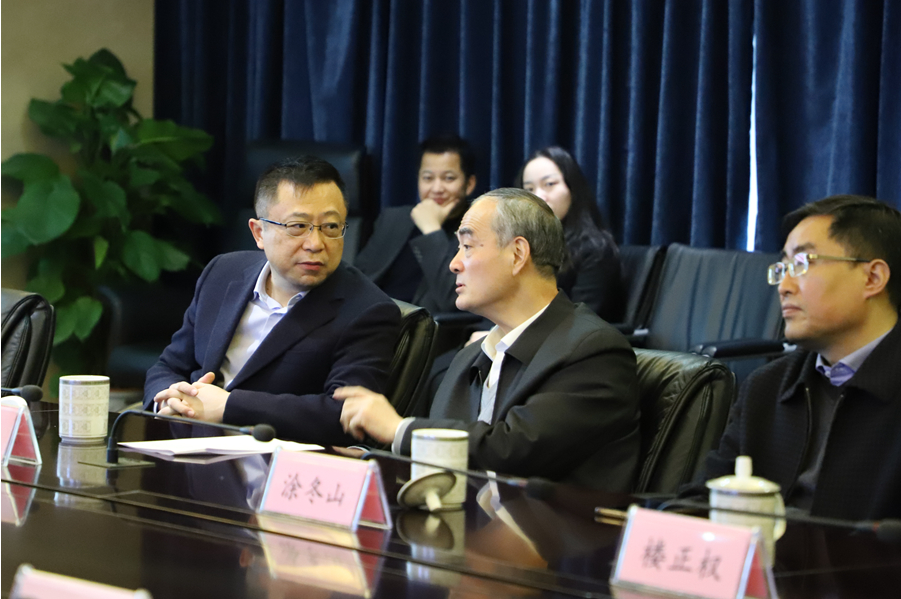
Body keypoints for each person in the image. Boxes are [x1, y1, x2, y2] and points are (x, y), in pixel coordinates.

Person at [335, 188, 641, 492]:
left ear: (517, 254)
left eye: (467, 246)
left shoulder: (592, 350)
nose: (454, 263)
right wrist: (373, 462)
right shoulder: (469, 357)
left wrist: (399, 429)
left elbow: (513, 450)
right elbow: (447, 466)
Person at [143, 156, 402, 446]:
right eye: (298, 226)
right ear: (259, 232)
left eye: (331, 227)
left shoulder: (367, 310)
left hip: (278, 459)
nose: (316, 244)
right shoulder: (222, 273)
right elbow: (169, 366)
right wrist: (168, 398)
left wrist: (229, 407)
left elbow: (345, 413)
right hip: (187, 445)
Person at [704, 195, 901, 520]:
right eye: (782, 268)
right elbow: (706, 497)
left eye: (801, 264)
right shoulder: (767, 387)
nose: (783, 286)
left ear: (872, 278)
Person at [353, 134, 477, 314]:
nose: (437, 189)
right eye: (428, 178)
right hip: (370, 318)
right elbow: (356, 278)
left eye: (449, 178)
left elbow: (452, 300)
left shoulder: (474, 231)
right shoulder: (394, 218)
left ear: (469, 184)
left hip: (425, 326)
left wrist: (431, 230)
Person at [515, 146, 624, 321]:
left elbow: (579, 320)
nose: (538, 197)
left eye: (549, 184)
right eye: (529, 190)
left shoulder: (596, 250)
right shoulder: (521, 245)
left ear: (573, 188)